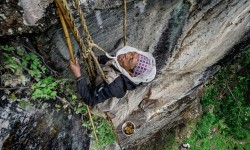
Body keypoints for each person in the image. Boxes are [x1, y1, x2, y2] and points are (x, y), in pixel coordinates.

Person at [70, 46, 156, 111]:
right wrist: (97, 59)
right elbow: (113, 59)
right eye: (132, 53)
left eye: (130, 60)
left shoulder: (114, 85)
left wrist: (78, 74)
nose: (126, 55)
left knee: (97, 105)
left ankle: (102, 111)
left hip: (102, 95)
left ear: (130, 73)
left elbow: (90, 100)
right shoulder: (123, 62)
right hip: (109, 84)